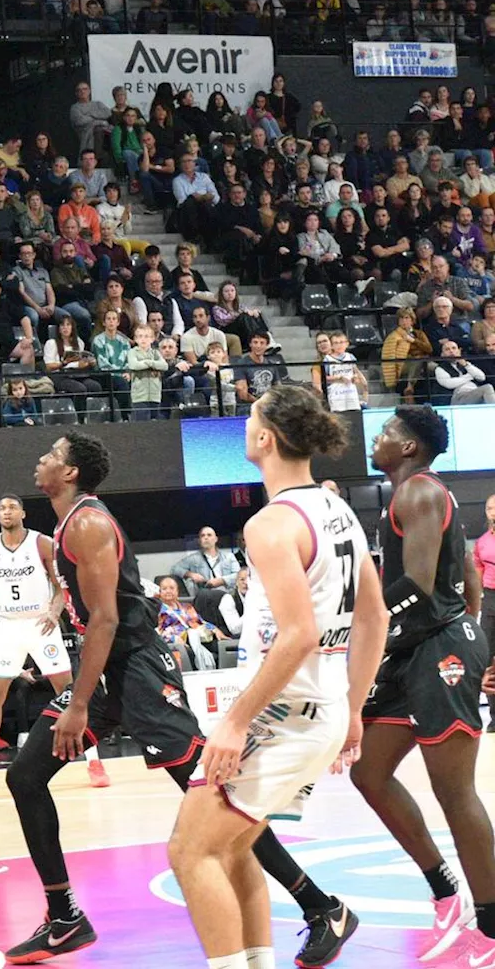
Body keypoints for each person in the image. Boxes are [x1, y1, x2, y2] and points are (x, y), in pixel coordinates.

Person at [3, 432, 357, 967]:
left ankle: (320, 906)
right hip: (105, 670)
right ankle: (64, 917)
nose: (41, 460)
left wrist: (76, 705)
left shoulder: (89, 523)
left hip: (140, 672)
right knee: (25, 777)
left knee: (216, 798)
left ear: (71, 472)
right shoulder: (67, 521)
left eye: (52, 455)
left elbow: (106, 619)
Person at [168, 384, 387, 969]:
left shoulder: (271, 523)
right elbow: (375, 616)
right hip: (324, 708)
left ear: (264, 438)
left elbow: (298, 635)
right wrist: (355, 711)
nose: (244, 425)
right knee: (237, 848)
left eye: (249, 418)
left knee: (190, 853)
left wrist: (234, 723)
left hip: (285, 714)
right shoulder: (337, 509)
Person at [354, 408, 495, 964]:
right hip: (415, 647)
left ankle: (490, 928)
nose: (378, 437)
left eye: (388, 431)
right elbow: (465, 566)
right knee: (368, 770)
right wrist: (473, 618)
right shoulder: (413, 494)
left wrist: (357, 632)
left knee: (454, 792)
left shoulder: (418, 492)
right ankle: (446, 892)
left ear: (410, 446)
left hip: (437, 649)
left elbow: (413, 585)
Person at [0, 494, 107, 795]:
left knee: (69, 694)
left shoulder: (41, 543)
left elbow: (60, 585)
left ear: (23, 513)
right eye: (1, 507)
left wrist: (55, 612)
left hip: (41, 623)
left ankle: (94, 761)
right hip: (8, 626)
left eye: (12, 507)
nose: (6, 511)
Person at [475, 494, 495, 729]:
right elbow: (477, 575)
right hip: (490, 599)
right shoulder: (481, 542)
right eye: (489, 508)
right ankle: (494, 715)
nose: (493, 511)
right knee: (488, 659)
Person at [172, 526, 241, 591]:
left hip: (227, 593)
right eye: (203, 535)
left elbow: (239, 575)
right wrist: (191, 574)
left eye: (209, 535)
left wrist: (221, 580)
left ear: (216, 539)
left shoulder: (229, 557)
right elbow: (175, 568)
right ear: (199, 541)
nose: (206, 538)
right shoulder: (193, 558)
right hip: (205, 595)